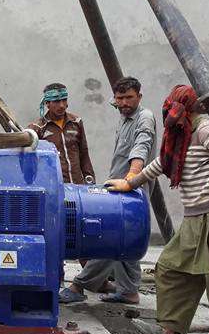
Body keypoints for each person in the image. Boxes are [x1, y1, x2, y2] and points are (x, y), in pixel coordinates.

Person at [105, 85, 209, 334]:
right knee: (171, 267)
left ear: (185, 107)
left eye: (173, 106)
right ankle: (168, 330)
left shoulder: (204, 128)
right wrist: (129, 182)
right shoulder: (181, 135)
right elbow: (161, 163)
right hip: (195, 216)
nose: (169, 112)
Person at [60, 77, 155, 305]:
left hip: (130, 190)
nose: (123, 103)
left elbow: (141, 146)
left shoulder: (144, 118)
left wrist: (131, 178)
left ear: (139, 97)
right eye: (119, 98)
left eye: (129, 98)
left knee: (107, 236)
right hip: (117, 187)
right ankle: (129, 291)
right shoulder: (124, 118)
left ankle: (79, 285)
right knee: (127, 243)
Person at [27, 83, 95, 184]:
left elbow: (84, 154)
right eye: (56, 101)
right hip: (54, 187)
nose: (62, 105)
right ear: (47, 103)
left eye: (64, 100)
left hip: (78, 186)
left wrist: (90, 181)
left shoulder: (76, 122)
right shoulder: (37, 129)